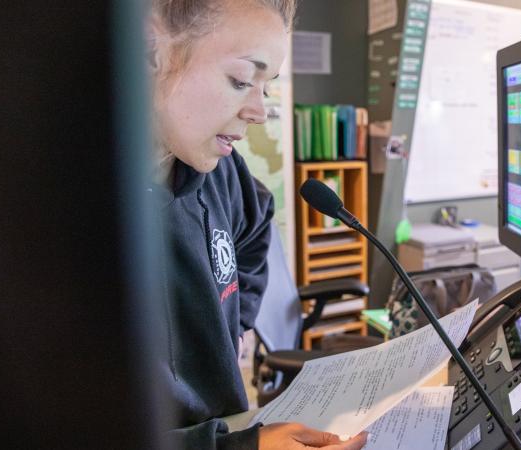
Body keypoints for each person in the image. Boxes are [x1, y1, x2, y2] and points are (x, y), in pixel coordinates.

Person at [146, 1, 368, 448]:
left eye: (265, 88)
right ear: (153, 52)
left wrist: (239, 320)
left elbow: (255, 224)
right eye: (241, 80)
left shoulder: (221, 171)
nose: (258, 111)